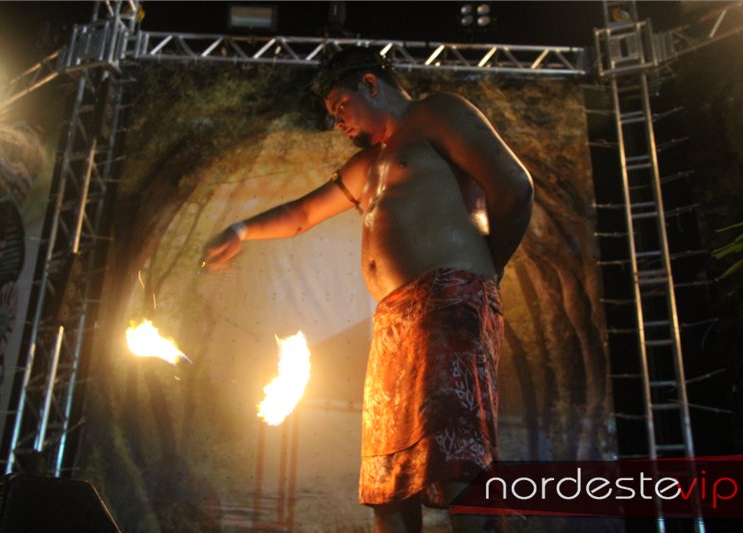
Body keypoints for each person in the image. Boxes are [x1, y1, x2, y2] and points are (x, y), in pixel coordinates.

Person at [200, 48, 533, 532]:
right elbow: (301, 214)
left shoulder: (437, 114)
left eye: (341, 107)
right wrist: (242, 230)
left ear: (371, 85)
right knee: (386, 483)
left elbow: (514, 188)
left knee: (457, 460)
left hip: (449, 302)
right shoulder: (365, 166)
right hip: (392, 325)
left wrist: (484, 271)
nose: (338, 122)